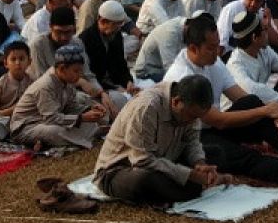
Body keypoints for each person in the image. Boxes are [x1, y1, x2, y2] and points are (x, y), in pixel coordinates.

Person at [163, 13, 278, 188]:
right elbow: (218, 120)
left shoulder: (218, 61)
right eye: (211, 48)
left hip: (216, 129)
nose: (216, 52)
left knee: (253, 102)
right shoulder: (181, 75)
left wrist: (272, 112)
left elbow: (241, 96)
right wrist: (266, 110)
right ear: (193, 48)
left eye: (218, 45)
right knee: (245, 156)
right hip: (191, 141)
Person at [94, 75, 225, 205]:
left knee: (216, 153)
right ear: (176, 101)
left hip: (164, 159)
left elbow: (191, 140)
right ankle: (195, 187)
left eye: (198, 117)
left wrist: (199, 164)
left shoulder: (190, 110)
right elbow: (142, 160)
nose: (193, 121)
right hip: (124, 169)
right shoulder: (146, 108)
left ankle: (194, 184)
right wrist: (190, 175)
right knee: (146, 180)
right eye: (192, 116)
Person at [9, 44, 104, 149]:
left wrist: (89, 109)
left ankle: (85, 135)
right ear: (62, 69)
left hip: (48, 121)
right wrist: (82, 117)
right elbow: (51, 118)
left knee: (89, 124)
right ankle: (85, 137)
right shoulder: (45, 85)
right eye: (76, 71)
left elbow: (70, 106)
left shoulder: (67, 80)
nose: (80, 75)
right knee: (55, 131)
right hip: (27, 128)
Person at [225, 10, 278, 115]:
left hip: (266, 104)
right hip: (241, 114)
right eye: (265, 30)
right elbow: (252, 89)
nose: (267, 33)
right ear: (255, 37)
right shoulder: (235, 64)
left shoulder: (264, 50)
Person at [79, 0, 135, 99]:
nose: (118, 29)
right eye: (115, 25)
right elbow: (91, 75)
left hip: (116, 82)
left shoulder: (116, 34)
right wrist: (115, 88)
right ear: (103, 21)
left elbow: (121, 63)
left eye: (119, 25)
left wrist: (128, 81)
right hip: (99, 87)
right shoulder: (86, 39)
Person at [133, 13, 190, 82]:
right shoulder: (170, 31)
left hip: (161, 70)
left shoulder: (184, 30)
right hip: (148, 72)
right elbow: (169, 66)